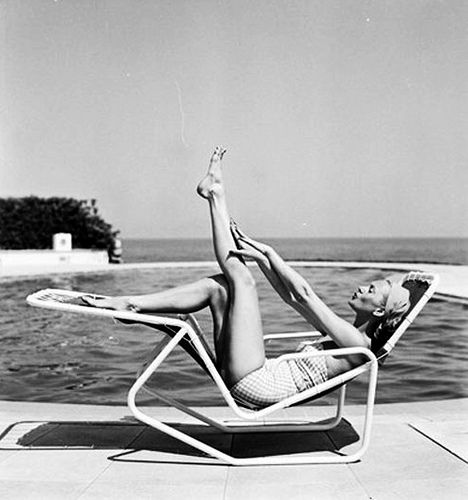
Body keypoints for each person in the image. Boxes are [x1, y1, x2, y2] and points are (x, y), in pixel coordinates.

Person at [83, 147, 411, 409]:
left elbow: (307, 295)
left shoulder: (359, 346)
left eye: (374, 289)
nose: (364, 286)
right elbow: (292, 297)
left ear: (380, 312)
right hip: (250, 375)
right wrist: (261, 254)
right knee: (220, 288)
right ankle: (133, 305)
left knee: (243, 280)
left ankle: (215, 196)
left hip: (256, 383)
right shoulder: (345, 334)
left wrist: (267, 253)